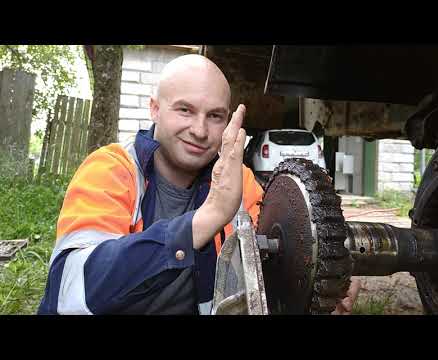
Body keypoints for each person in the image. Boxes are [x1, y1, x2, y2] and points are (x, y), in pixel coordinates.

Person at [38, 54, 359, 315]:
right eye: (185, 110)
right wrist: (206, 218)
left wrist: (329, 273)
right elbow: (73, 289)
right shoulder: (111, 169)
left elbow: (278, 258)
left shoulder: (240, 181)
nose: (200, 130)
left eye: (215, 116)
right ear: (155, 109)